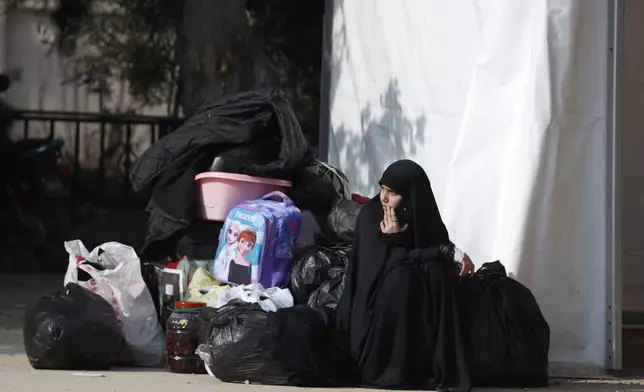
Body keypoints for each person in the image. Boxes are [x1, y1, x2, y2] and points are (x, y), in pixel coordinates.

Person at [335, 159, 473, 391]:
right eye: (383, 189)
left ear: (411, 196)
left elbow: (435, 248)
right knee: (402, 277)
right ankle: (391, 367)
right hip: (373, 314)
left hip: (418, 318)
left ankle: (433, 364)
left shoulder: (422, 216)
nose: (384, 198)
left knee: (437, 272)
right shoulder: (371, 217)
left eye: (393, 193)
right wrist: (396, 242)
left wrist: (451, 255)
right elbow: (379, 271)